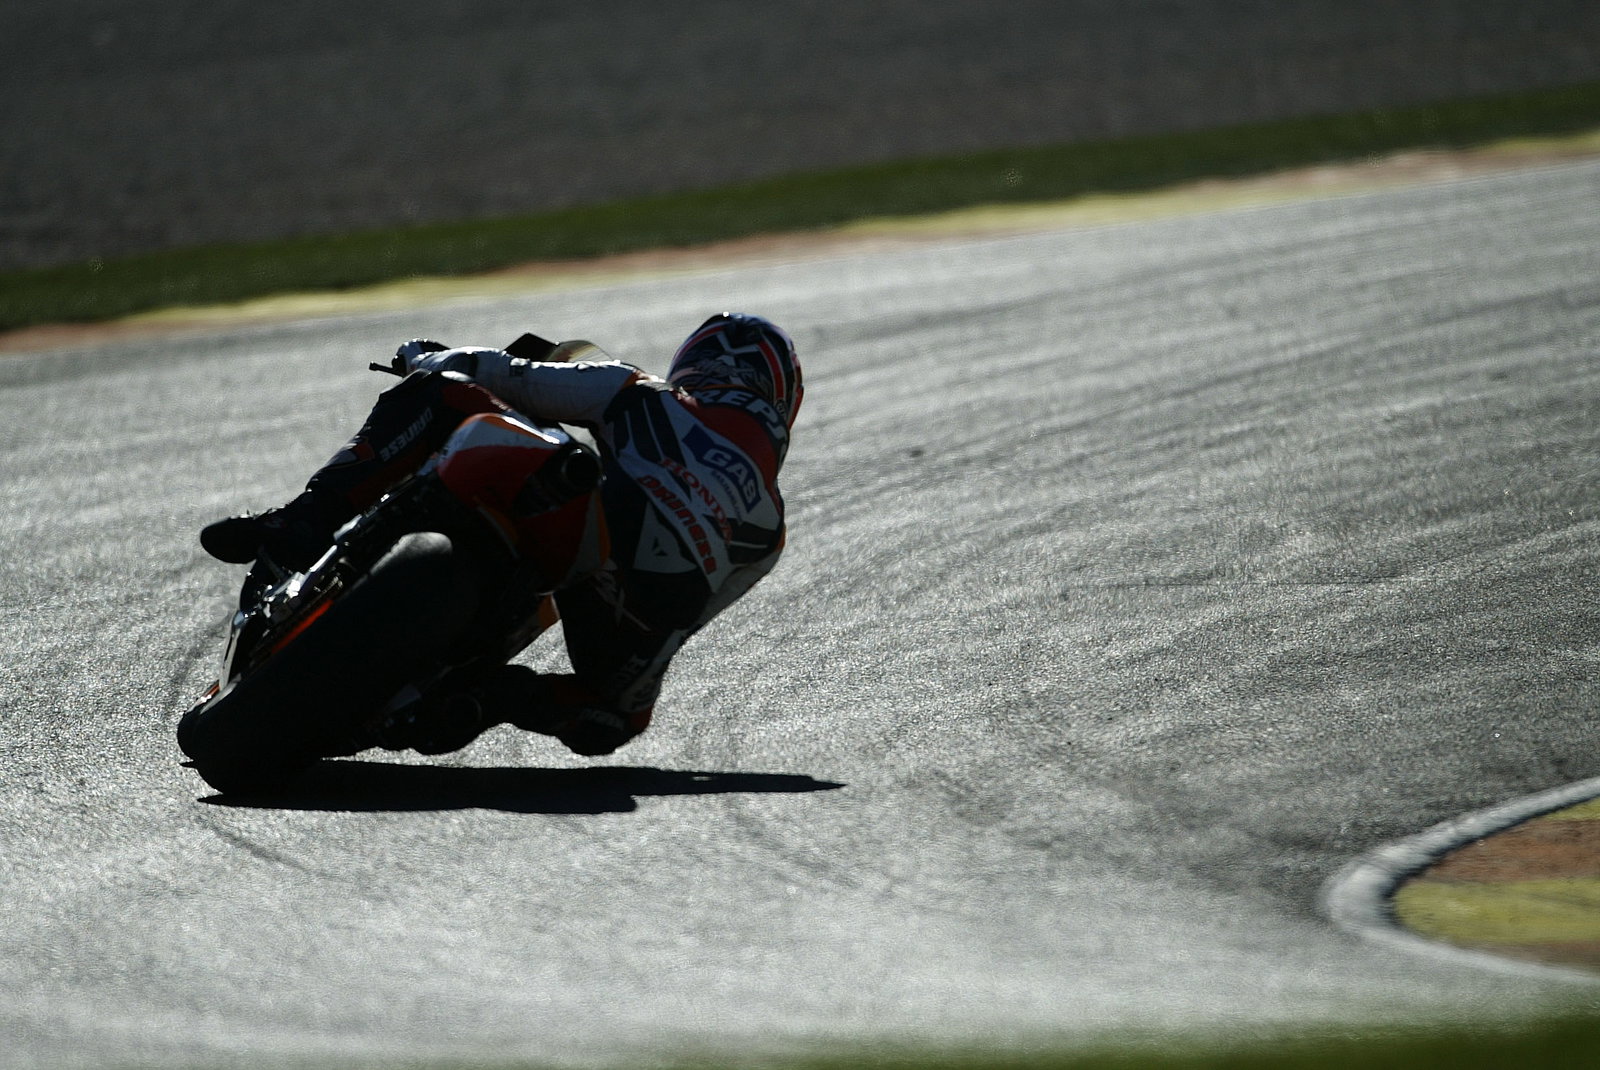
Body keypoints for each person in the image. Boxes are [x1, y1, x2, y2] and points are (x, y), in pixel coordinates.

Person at [200, 313, 802, 758]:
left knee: (447, 391)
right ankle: (483, 696)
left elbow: (499, 371)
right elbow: (688, 613)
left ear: (700, 365)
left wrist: (424, 361)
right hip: (622, 631)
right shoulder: (770, 531)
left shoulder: (639, 393)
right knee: (615, 717)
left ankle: (304, 520)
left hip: (570, 520)